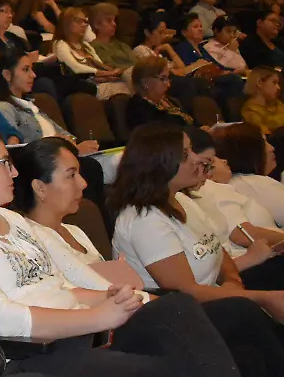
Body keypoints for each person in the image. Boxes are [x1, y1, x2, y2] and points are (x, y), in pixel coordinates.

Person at [0, 125, 243, 377]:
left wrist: (132, 301)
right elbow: (0, 320)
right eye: (4, 163)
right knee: (175, 367)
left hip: (78, 337)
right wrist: (98, 317)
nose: (15, 172)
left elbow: (75, 277)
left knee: (180, 308)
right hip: (26, 358)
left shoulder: (12, 219)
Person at [11, 136, 284, 377]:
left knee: (240, 331)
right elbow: (69, 296)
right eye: (70, 176)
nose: (83, 183)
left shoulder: (76, 230)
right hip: (103, 328)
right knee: (217, 310)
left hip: (127, 312)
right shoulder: (31, 240)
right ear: (40, 187)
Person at [111, 124, 284, 318]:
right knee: (247, 310)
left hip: (215, 294)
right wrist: (259, 298)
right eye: (185, 155)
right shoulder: (144, 221)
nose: (196, 159)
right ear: (161, 164)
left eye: (192, 149)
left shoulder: (183, 199)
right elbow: (185, 293)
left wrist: (232, 281)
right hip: (181, 314)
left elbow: (217, 248)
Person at [0, 49, 105, 205]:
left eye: (32, 69)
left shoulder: (31, 104)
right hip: (44, 165)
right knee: (91, 167)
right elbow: (17, 149)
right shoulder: (3, 107)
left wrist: (73, 144)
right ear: (7, 75)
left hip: (64, 155)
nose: (33, 75)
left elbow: (66, 135)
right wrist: (70, 148)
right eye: (25, 70)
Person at [190, 128, 284, 274]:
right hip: (256, 266)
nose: (224, 161)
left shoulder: (223, 188)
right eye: (211, 161)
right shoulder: (212, 189)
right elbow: (242, 234)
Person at [53, 7, 131, 100]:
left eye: (85, 22)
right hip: (86, 87)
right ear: (66, 23)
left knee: (130, 76)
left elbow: (100, 65)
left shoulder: (86, 45)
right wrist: (107, 73)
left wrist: (110, 75)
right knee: (128, 89)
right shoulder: (60, 44)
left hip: (100, 82)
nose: (83, 25)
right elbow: (75, 68)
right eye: (78, 21)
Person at [217, 123, 284, 225]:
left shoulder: (236, 182)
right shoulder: (257, 184)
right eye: (264, 142)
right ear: (248, 151)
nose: (271, 148)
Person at [126, 56, 196, 129]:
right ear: (145, 82)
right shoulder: (139, 107)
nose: (168, 84)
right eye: (163, 79)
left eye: (168, 78)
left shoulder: (168, 100)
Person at [87, 2, 137, 71]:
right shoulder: (92, 47)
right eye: (109, 20)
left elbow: (136, 63)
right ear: (96, 24)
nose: (114, 24)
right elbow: (109, 67)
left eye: (114, 20)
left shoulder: (122, 45)